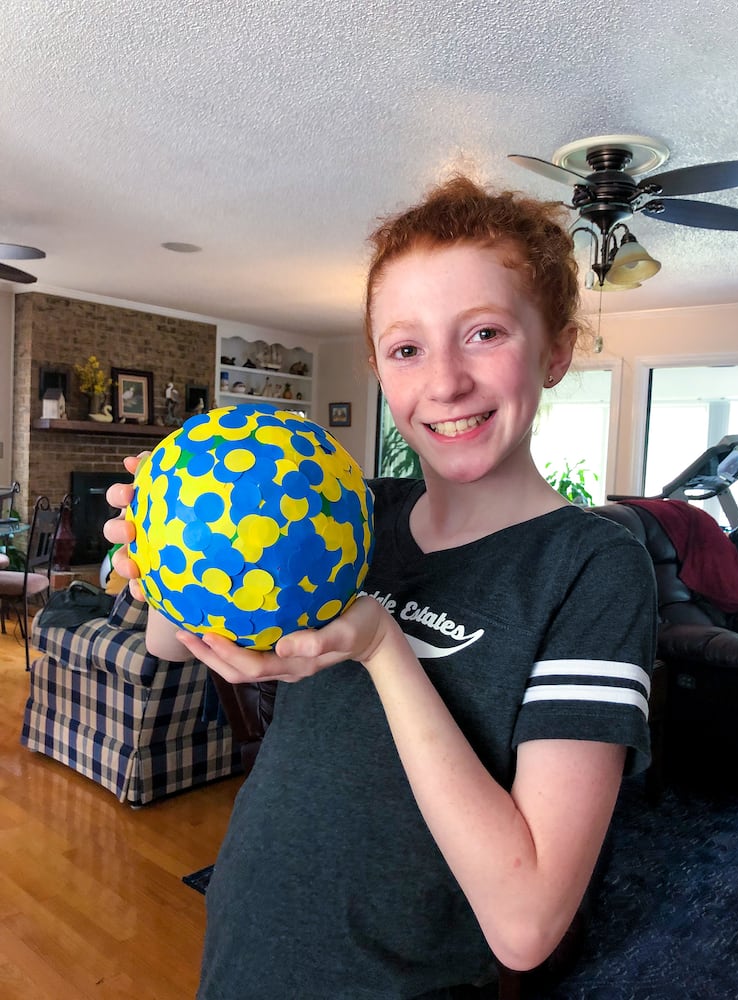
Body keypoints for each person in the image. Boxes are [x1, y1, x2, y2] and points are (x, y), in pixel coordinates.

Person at [104, 175, 657, 999]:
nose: (443, 382)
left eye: (483, 334)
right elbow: (171, 643)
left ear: (557, 349)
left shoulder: (592, 569)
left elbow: (527, 924)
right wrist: (159, 557)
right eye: (406, 348)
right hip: (244, 952)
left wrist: (381, 647)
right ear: (378, 366)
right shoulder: (348, 514)